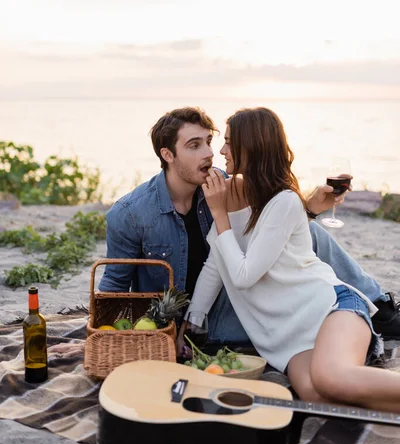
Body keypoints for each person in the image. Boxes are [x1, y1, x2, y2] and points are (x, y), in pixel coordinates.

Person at [98, 106, 400, 342]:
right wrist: (98, 336)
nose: (209, 153)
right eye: (194, 145)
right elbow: (113, 287)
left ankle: (381, 309)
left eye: (209, 142)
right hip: (183, 317)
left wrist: (307, 209)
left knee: (311, 230)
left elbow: (271, 228)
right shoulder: (131, 213)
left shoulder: (227, 185)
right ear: (168, 155)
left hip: (231, 295)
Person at [184, 107, 400, 411]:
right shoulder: (232, 192)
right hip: (287, 336)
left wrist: (218, 214)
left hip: (330, 308)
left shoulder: (283, 201)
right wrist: (193, 320)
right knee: (315, 394)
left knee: (332, 379)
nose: (221, 150)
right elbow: (215, 264)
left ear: (253, 145)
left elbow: (244, 277)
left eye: (230, 142)